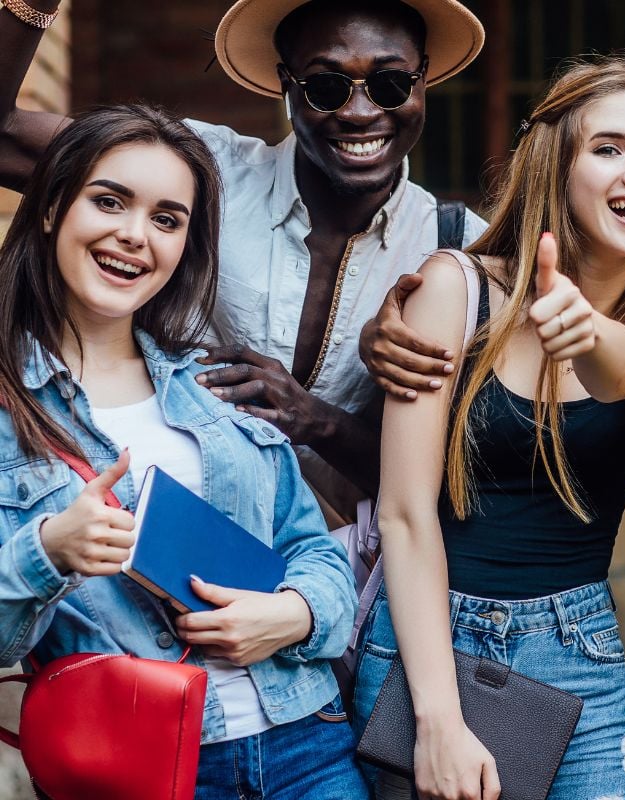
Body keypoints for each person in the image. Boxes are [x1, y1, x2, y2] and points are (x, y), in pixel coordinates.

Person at [352, 54, 625, 800]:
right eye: (609, 148)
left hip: (578, 651)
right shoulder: (456, 290)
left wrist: (585, 329)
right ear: (558, 165)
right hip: (422, 642)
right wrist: (439, 720)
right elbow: (406, 515)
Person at [0, 0, 488, 524]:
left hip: (334, 582)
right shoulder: (200, 171)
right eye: (326, 87)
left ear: (423, 80)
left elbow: (461, 493)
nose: (360, 112)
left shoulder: (461, 252)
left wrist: (318, 421)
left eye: (391, 83)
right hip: (142, 541)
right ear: (287, 85)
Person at [0, 104, 365, 798]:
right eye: (109, 201)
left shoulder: (214, 384)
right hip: (134, 764)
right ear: (51, 208)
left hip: (306, 747)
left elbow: (315, 552)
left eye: (167, 219)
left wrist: (295, 614)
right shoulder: (8, 406)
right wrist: (47, 551)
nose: (135, 236)